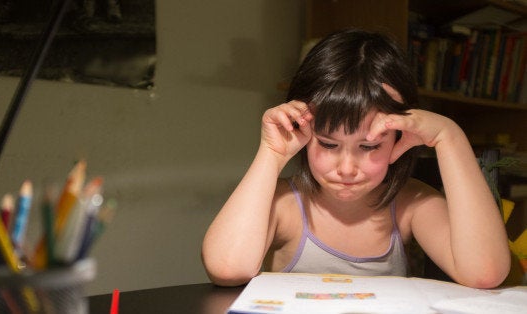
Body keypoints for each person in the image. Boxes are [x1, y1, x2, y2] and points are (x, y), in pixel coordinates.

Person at [201, 29, 510, 289]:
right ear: (305, 133)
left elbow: (484, 273)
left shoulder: (410, 203)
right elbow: (227, 268)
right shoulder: (284, 203)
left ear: (399, 137)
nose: (346, 169)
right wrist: (271, 154)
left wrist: (450, 137)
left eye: (369, 146)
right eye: (328, 143)